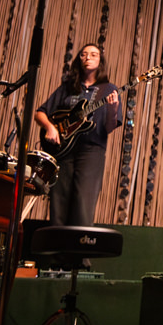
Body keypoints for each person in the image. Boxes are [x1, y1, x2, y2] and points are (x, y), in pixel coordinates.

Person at [36, 43, 121, 238]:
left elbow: (108, 128)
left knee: (84, 201)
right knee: (59, 200)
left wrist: (114, 108)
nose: (87, 57)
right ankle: (56, 257)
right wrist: (50, 127)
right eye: (83, 55)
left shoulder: (109, 89)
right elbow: (40, 113)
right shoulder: (68, 87)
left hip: (92, 151)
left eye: (93, 54)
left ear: (100, 61)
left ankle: (78, 257)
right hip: (62, 150)